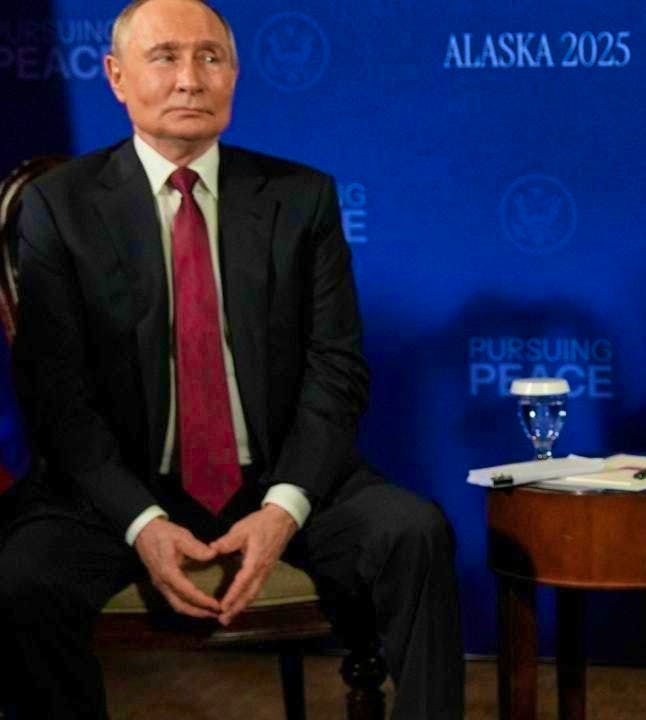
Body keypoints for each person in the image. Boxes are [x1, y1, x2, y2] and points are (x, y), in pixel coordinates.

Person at [0, 1, 464, 717]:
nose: (191, 78)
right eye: (165, 57)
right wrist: (142, 522)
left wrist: (283, 509)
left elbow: (337, 370)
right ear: (116, 76)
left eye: (210, 57)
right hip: (116, 489)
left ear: (235, 76)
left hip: (276, 477)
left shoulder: (301, 198)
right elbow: (56, 394)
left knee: (414, 533)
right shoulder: (60, 206)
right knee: (25, 577)